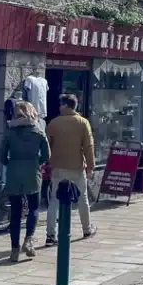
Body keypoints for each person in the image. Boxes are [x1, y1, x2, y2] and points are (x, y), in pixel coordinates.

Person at [0, 101, 49, 262]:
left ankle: (14, 249)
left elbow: (1, 156)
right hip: (32, 172)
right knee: (34, 207)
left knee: (15, 212)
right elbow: (46, 155)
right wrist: (37, 163)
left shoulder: (9, 132)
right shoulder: (38, 131)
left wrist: (11, 163)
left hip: (14, 172)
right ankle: (28, 240)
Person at [45, 94, 96, 245]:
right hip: (77, 166)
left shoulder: (53, 123)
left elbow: (47, 146)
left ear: (66, 105)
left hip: (58, 166)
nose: (59, 107)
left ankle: (50, 235)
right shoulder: (83, 122)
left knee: (54, 200)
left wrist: (49, 162)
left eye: (61, 104)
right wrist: (91, 166)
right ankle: (86, 229)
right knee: (82, 198)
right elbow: (88, 146)